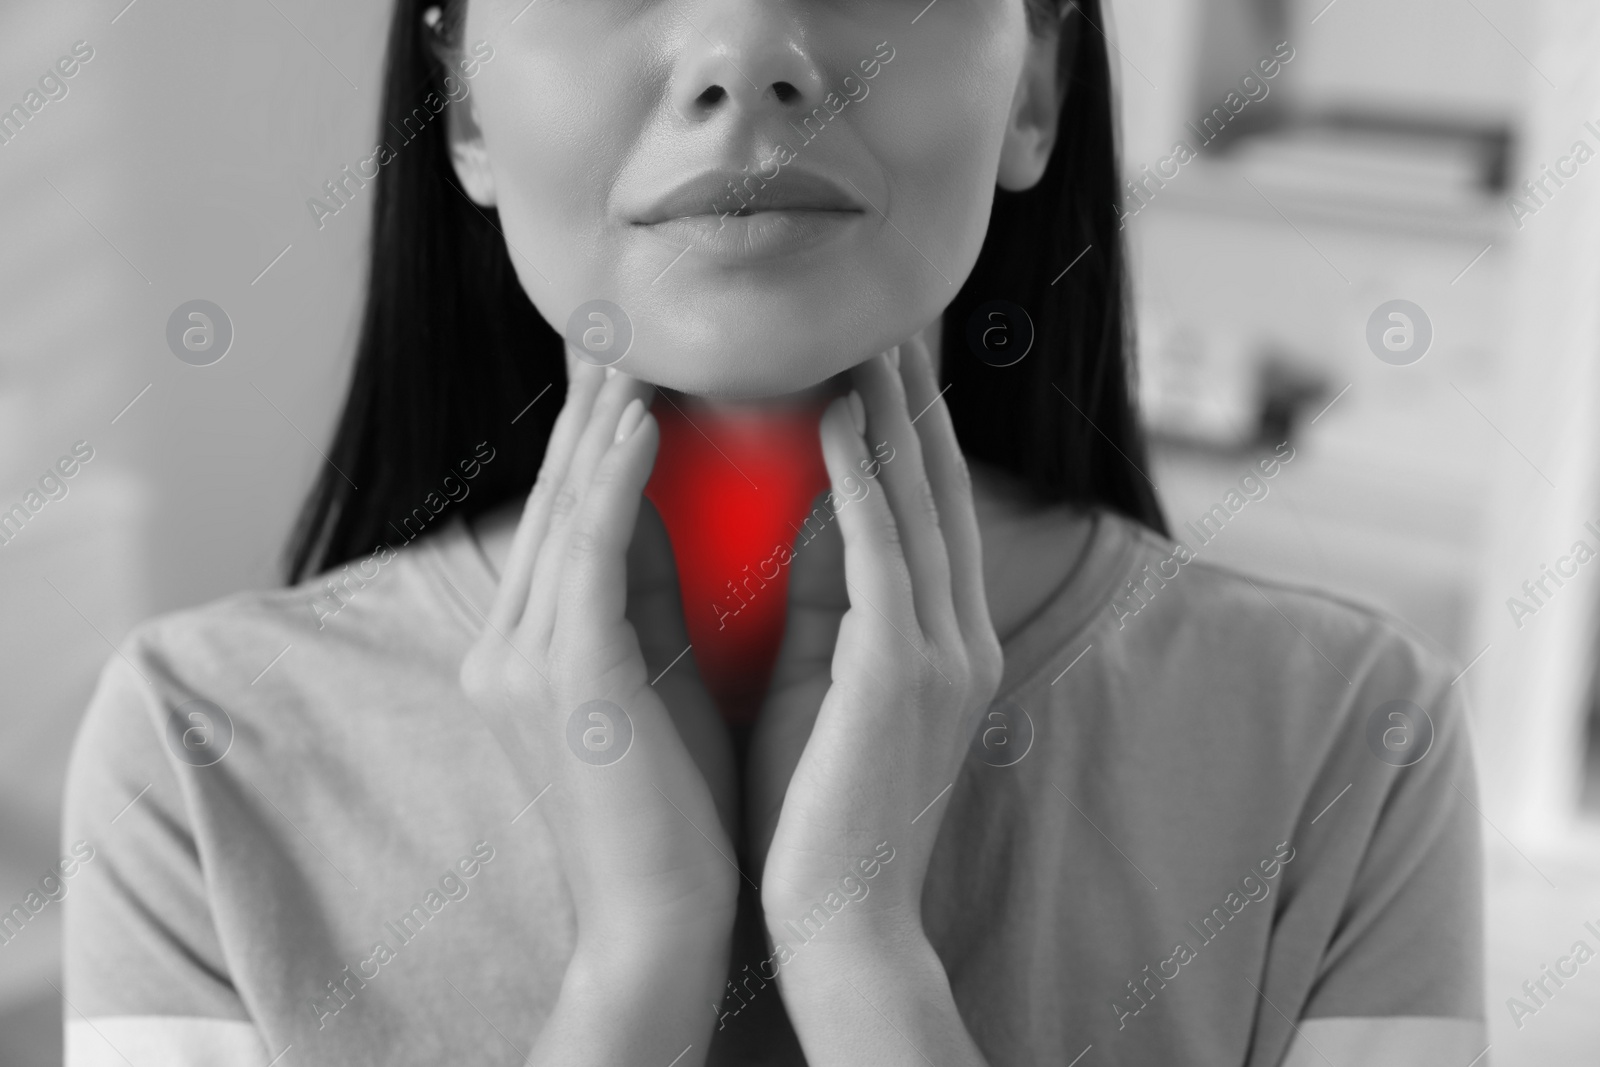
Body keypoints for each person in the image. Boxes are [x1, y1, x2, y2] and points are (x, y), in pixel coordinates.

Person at [62, 1, 1486, 1064]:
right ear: (468, 109)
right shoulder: (200, 750)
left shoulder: (1351, 739)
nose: (748, 53)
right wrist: (641, 962)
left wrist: (862, 955)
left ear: (1037, 76)